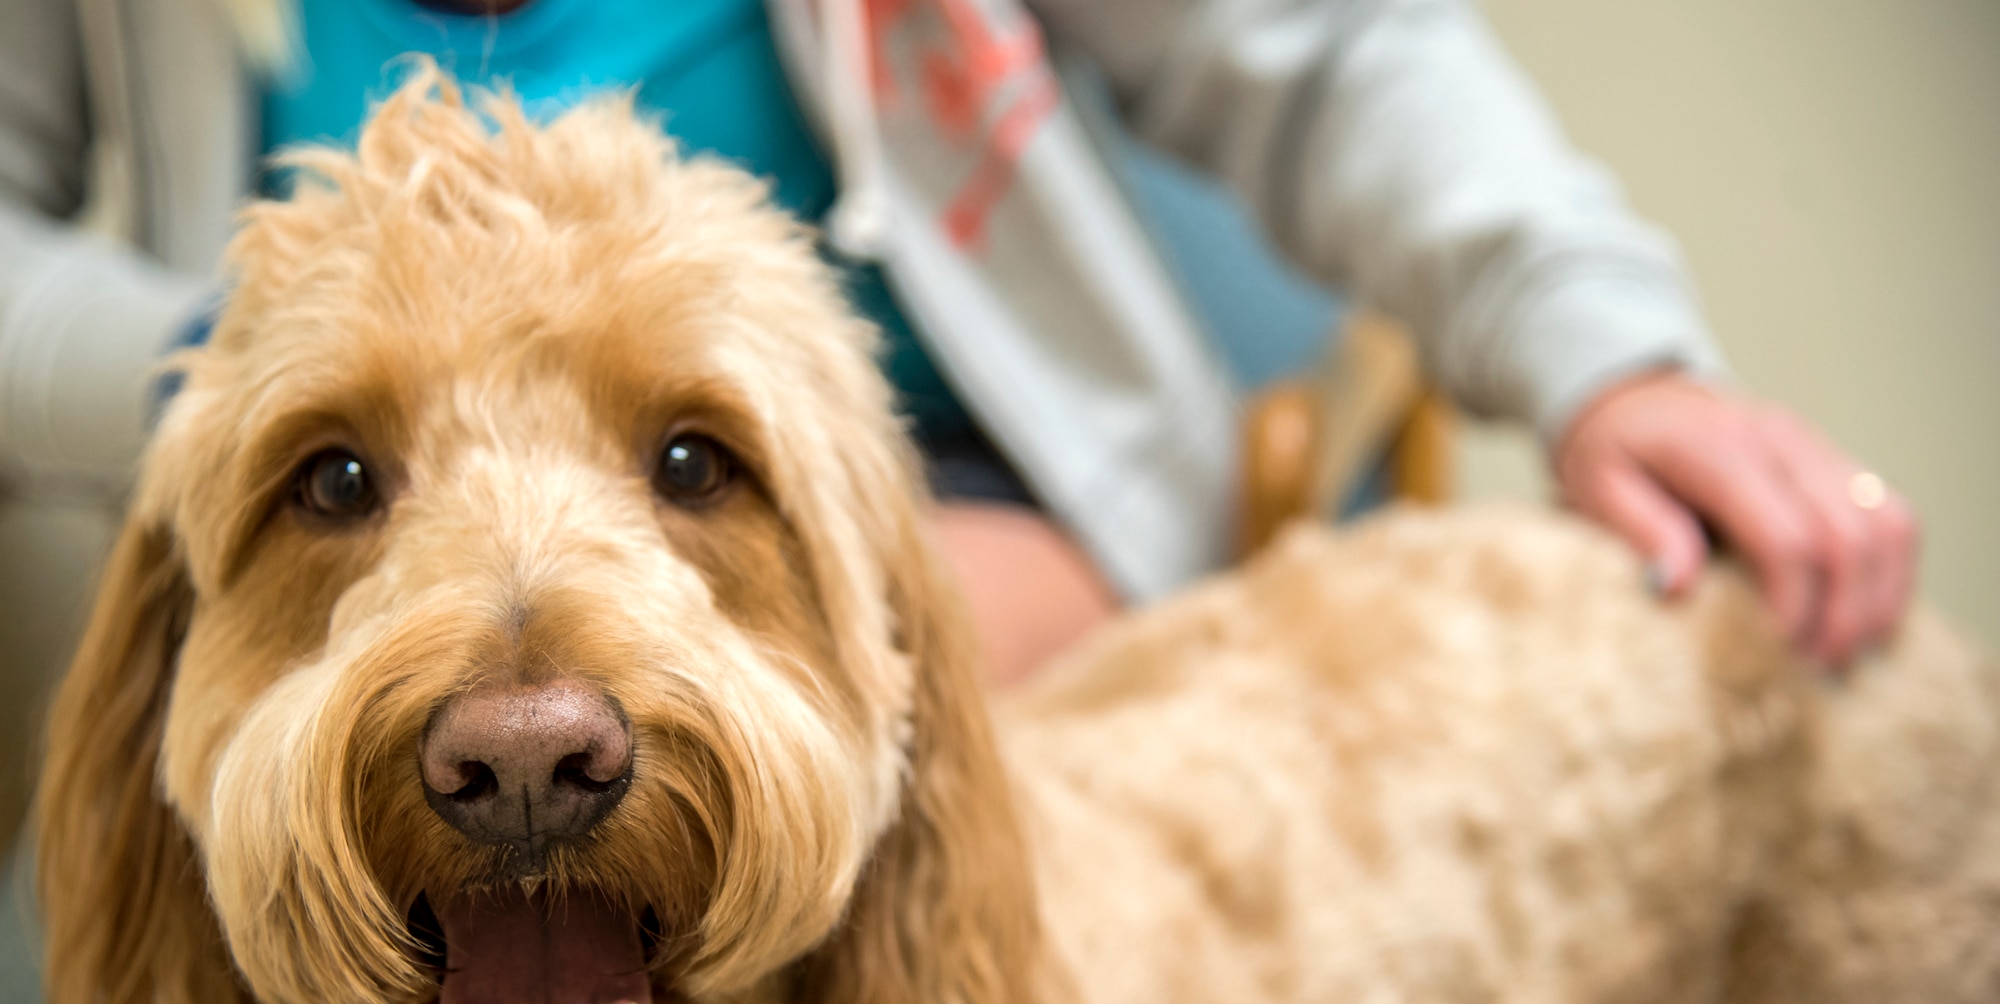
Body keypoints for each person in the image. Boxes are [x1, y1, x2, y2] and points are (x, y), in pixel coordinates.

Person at [0, 0, 1916, 697]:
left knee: (878, 780)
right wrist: (220, 375)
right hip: (342, 527)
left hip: (935, 482)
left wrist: (1605, 352)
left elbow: (1323, 53)